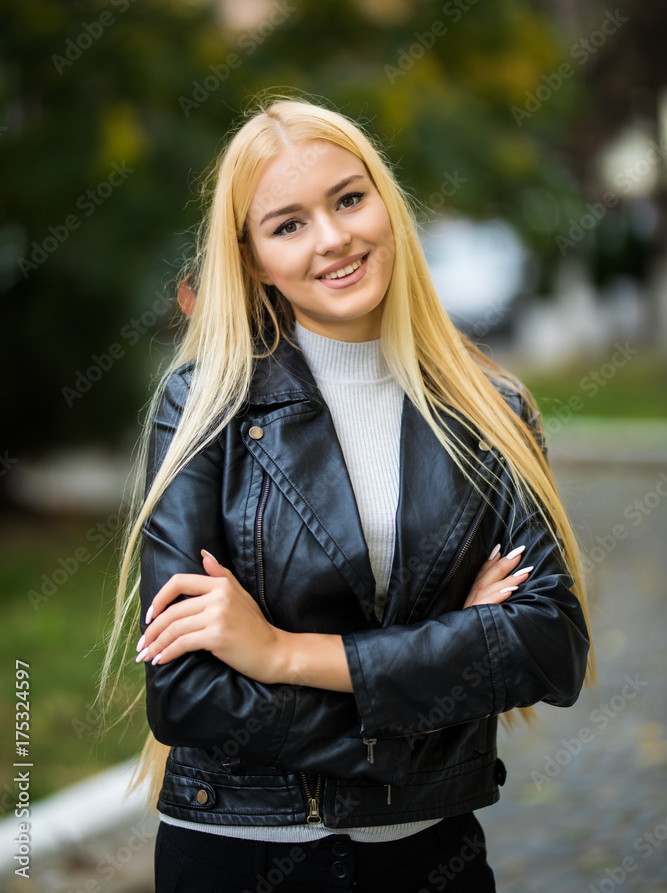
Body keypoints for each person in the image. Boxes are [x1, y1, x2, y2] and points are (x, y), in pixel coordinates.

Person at [101, 93, 593, 892]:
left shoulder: (489, 411)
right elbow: (187, 694)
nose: (333, 239)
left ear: (385, 205)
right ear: (253, 256)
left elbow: (548, 646)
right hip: (240, 853)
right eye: (287, 224)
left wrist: (282, 653)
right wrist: (443, 669)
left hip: (432, 857)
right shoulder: (204, 406)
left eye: (348, 199)